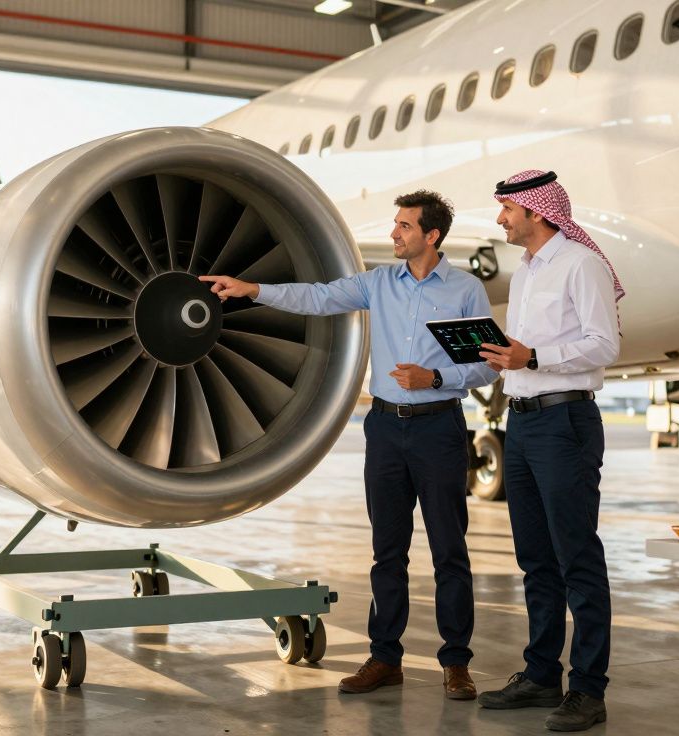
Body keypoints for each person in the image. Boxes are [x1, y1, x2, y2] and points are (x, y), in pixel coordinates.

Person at [200, 190, 497, 700]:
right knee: (388, 552)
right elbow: (317, 296)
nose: (394, 234)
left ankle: (456, 663)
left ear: (432, 235)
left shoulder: (465, 290)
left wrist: (434, 377)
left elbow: (489, 362)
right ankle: (385, 658)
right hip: (385, 429)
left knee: (450, 551)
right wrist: (251, 289)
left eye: (404, 226)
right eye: (396, 225)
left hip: (439, 427)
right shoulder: (378, 283)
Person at [475, 170, 624, 732]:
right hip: (525, 423)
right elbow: (525, 353)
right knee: (535, 558)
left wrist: (531, 357)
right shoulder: (527, 270)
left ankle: (588, 690)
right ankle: (541, 675)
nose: (500, 219)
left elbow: (603, 344)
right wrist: (508, 358)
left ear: (536, 212)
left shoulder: (580, 264)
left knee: (576, 557)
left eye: (507, 208)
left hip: (566, 421)